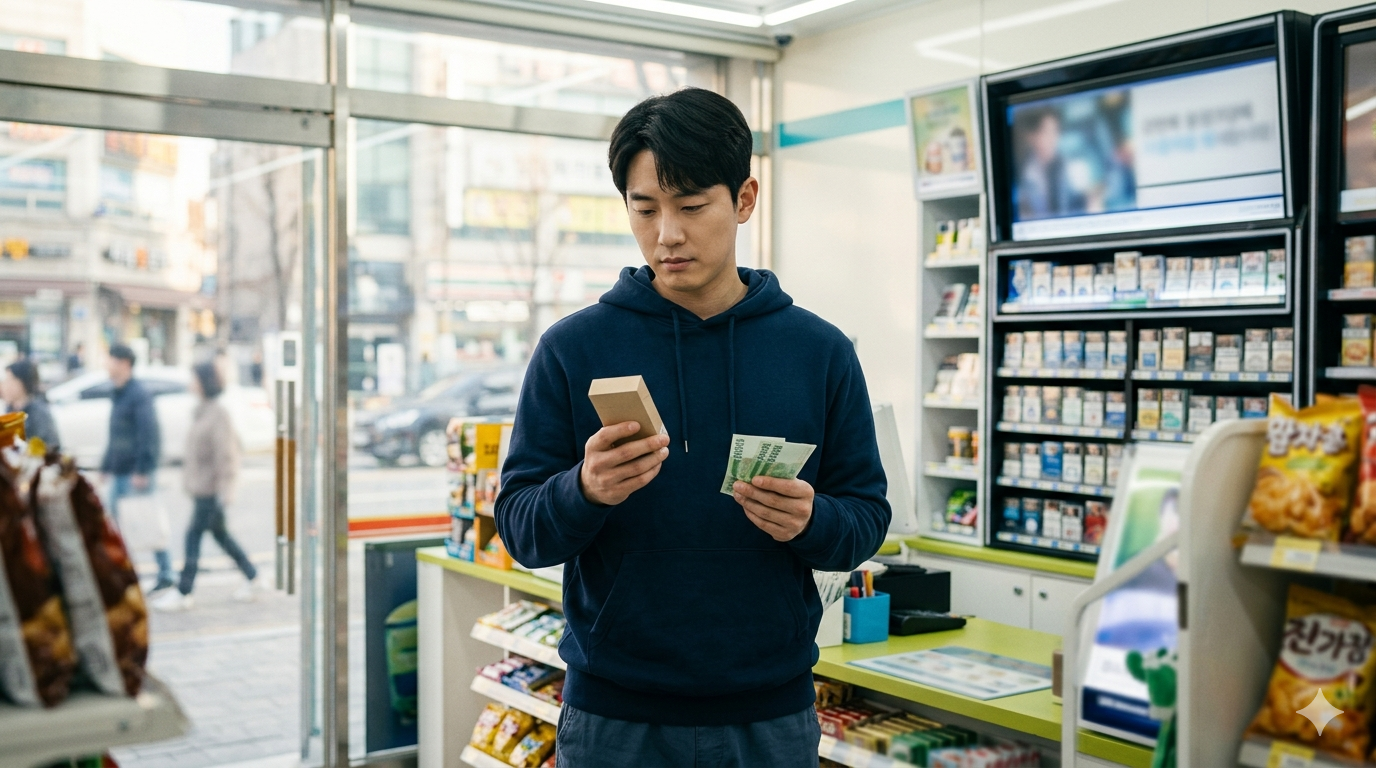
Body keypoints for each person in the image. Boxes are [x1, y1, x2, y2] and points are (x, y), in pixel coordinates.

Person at [494, 88, 892, 768]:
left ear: (743, 199)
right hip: (612, 718)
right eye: (644, 208)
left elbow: (864, 519)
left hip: (769, 715)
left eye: (690, 205)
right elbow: (521, 529)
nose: (666, 234)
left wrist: (812, 521)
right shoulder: (572, 348)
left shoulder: (819, 352)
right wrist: (584, 490)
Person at [152, 362, 261, 611]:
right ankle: (253, 575)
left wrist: (227, 489)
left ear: (203, 382)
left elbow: (227, 455)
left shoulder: (218, 414)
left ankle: (184, 590)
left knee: (193, 536)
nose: (190, 383)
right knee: (221, 536)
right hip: (203, 488)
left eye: (194, 379)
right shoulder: (203, 411)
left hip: (211, 490)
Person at [101, 343, 174, 591]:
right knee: (118, 526)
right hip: (121, 470)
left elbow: (148, 434)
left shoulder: (138, 394)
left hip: (135, 472)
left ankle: (166, 574)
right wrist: (106, 465)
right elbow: (116, 435)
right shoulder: (119, 392)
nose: (106, 365)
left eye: (110, 360)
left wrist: (142, 470)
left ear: (124, 363)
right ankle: (125, 574)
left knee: (146, 522)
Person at [1, 360, 60, 451]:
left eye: (10, 380)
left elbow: (49, 448)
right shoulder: (9, 409)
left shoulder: (39, 412)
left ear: (23, 382)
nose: (4, 385)